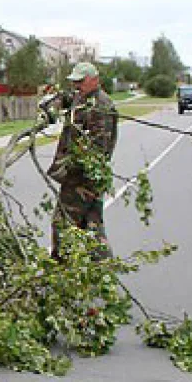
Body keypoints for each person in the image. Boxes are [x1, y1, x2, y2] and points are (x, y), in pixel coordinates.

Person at [47, 62, 118, 261]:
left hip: (82, 180)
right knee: (92, 225)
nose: (76, 85)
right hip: (86, 179)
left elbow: (97, 149)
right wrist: (53, 104)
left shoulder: (100, 107)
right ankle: (103, 268)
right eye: (75, 81)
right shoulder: (84, 98)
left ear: (94, 80)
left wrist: (71, 169)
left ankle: (60, 269)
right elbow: (68, 99)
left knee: (63, 223)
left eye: (80, 81)